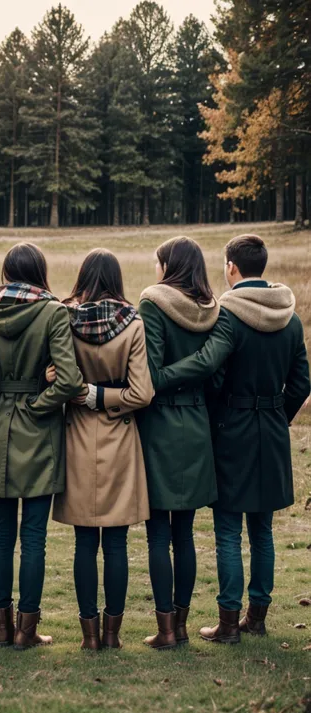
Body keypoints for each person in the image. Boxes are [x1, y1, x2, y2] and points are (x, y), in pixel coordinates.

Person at [155, 234, 310, 643]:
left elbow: (211, 370)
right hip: (272, 430)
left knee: (227, 530)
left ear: (231, 268)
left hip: (233, 430)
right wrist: (277, 415)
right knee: (263, 531)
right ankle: (257, 618)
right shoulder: (290, 318)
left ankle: (228, 624)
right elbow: (301, 382)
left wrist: (171, 386)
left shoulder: (229, 315)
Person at [0, 243, 84, 650]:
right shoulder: (52, 311)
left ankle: (2, 629)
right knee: (33, 536)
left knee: (2, 534)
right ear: (40, 271)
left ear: (6, 271)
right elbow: (70, 381)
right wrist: (39, 400)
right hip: (37, 429)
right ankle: (25, 631)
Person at [50, 248, 154, 650]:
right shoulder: (133, 324)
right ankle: (112, 635)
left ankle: (88, 636)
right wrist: (107, 397)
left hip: (76, 435)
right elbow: (142, 393)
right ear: (117, 278)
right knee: (115, 543)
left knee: (82, 542)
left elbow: (53, 375)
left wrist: (85, 393)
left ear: (82, 277)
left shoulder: (64, 318)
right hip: (119, 437)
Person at [136, 236, 220, 650]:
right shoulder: (212, 309)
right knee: (184, 533)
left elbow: (148, 372)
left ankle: (166, 630)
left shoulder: (153, 304)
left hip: (160, 424)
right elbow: (216, 374)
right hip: (197, 423)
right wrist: (201, 371)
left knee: (157, 533)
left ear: (168, 265)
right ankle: (182, 626)